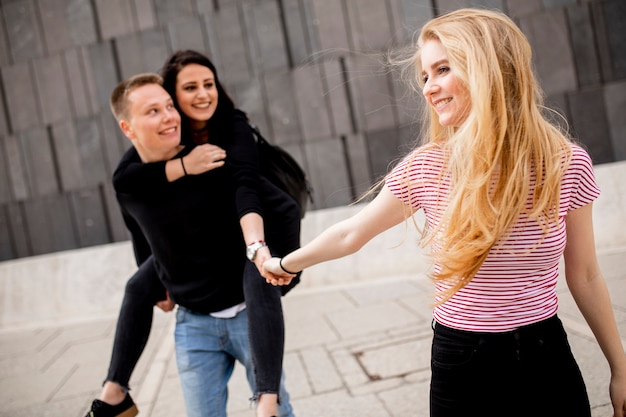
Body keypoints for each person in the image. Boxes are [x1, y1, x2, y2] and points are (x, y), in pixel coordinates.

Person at [262, 8, 626, 417]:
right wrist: (284, 262)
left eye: (442, 69)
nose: (428, 88)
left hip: (545, 356)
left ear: (486, 68)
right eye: (424, 76)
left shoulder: (565, 164)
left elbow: (586, 274)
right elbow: (351, 233)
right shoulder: (426, 167)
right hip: (461, 362)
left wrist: (620, 370)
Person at [86, 64, 297, 417]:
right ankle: (114, 393)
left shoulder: (210, 159)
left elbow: (285, 209)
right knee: (138, 286)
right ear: (127, 128)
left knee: (275, 409)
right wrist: (159, 285)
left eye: (170, 106)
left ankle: (268, 402)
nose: (170, 117)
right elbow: (140, 230)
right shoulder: (129, 182)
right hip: (194, 322)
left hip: (249, 312)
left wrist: (282, 276)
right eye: (153, 111)